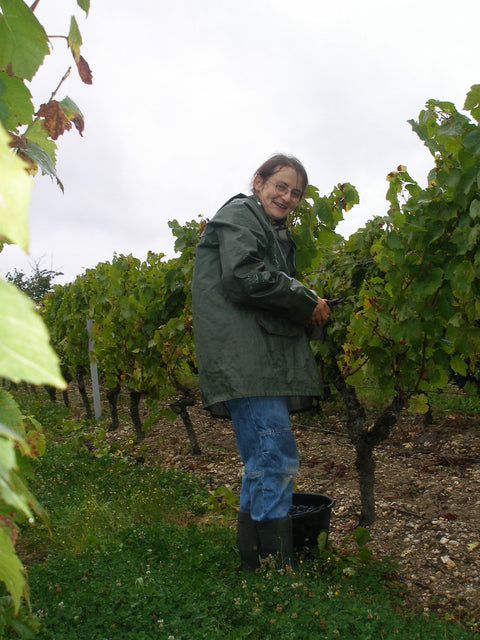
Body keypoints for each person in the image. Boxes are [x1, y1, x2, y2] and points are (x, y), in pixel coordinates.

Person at [192, 154, 330, 571]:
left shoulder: (267, 228)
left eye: (296, 193)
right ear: (258, 181)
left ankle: (257, 565)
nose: (287, 197)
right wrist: (307, 300)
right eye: (281, 186)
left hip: (254, 359)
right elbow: (244, 276)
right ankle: (274, 568)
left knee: (262, 461)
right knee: (274, 457)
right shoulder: (239, 214)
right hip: (248, 361)